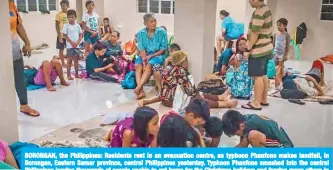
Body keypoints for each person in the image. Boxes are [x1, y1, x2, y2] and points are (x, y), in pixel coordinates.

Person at [9, 0, 40, 117]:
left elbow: (18, 25)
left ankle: (24, 104)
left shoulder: (11, 4)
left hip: (14, 48)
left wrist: (27, 43)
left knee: (20, 78)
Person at [242, 0, 273, 111]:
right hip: (267, 48)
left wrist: (248, 48)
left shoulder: (259, 13)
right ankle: (263, 99)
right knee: (263, 74)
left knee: (257, 76)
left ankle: (256, 103)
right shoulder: (266, 9)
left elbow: (255, 33)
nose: (249, 1)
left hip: (259, 49)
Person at [134, 13, 168, 99]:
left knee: (149, 66)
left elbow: (163, 49)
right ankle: (141, 91)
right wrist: (144, 61)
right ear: (145, 23)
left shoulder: (162, 32)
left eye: (154, 21)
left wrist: (150, 57)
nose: (154, 23)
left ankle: (138, 88)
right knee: (138, 65)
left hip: (158, 55)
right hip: (145, 55)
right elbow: (141, 49)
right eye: (151, 22)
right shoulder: (140, 33)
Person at [222, 110, 294, 147]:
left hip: (284, 147)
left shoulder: (250, 125)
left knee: (253, 136)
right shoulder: (244, 120)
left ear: (241, 126)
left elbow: (243, 146)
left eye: (236, 134)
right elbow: (241, 144)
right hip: (276, 142)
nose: (237, 135)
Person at [62, 9, 83, 80]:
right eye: (69, 17)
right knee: (69, 61)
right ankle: (68, 75)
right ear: (67, 17)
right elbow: (64, 35)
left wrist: (77, 43)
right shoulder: (66, 26)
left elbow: (81, 35)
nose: (71, 19)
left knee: (76, 61)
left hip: (77, 46)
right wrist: (71, 42)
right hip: (70, 46)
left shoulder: (77, 26)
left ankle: (76, 74)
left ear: (75, 17)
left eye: (72, 17)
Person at [273, 18, 290, 89]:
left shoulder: (287, 35)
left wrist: (286, 55)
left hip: (282, 54)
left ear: (285, 26)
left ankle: (279, 81)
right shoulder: (275, 34)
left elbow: (287, 45)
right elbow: (273, 44)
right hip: (275, 53)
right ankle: (277, 79)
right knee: (275, 67)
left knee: (280, 67)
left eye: (280, 25)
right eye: (277, 25)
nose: (278, 27)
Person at [55, 0, 69, 67]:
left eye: (64, 5)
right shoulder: (58, 15)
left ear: (68, 6)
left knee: (69, 49)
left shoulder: (69, 14)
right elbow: (57, 26)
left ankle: (68, 62)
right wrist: (59, 36)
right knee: (61, 49)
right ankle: (63, 63)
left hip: (68, 35)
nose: (62, 7)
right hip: (61, 35)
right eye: (61, 6)